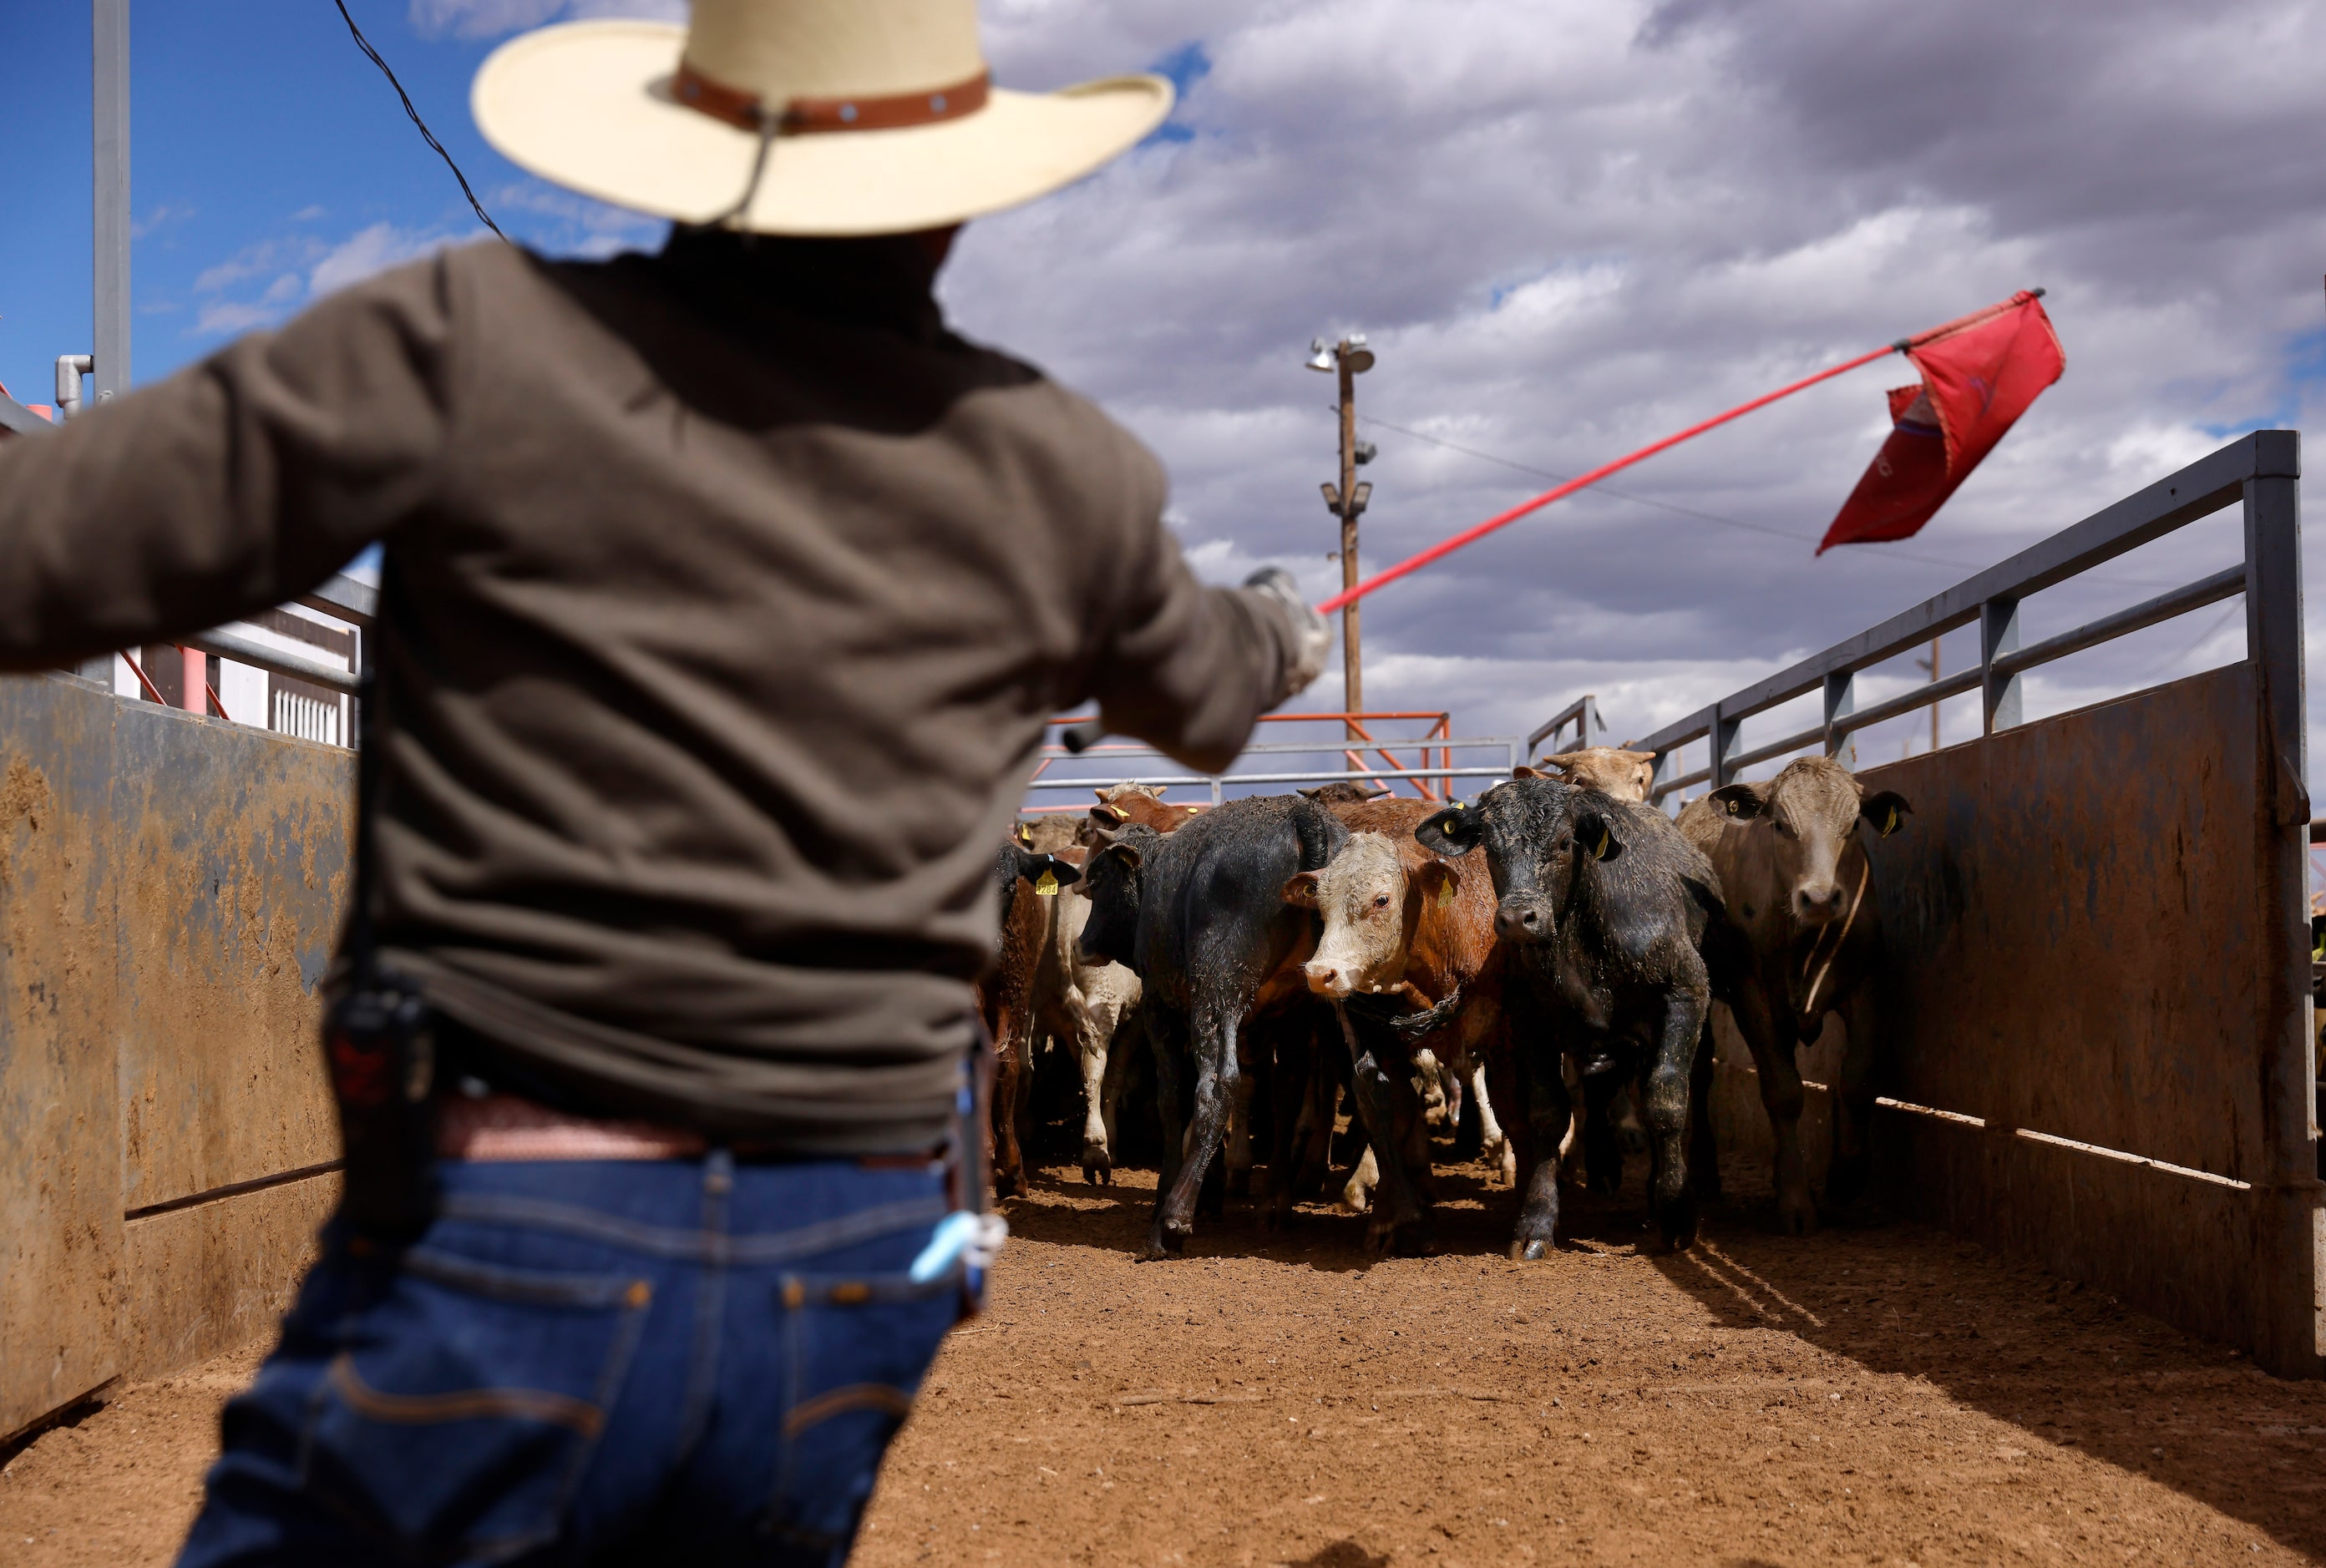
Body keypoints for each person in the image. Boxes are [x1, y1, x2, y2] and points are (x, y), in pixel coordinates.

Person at [0, 1, 1328, 1560]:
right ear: (959, 191)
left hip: (525, 1213)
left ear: (692, 153)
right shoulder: (1063, 469)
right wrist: (1282, 626)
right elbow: (1205, 683)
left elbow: (47, 551)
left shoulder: (472, 346)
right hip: (867, 1243)